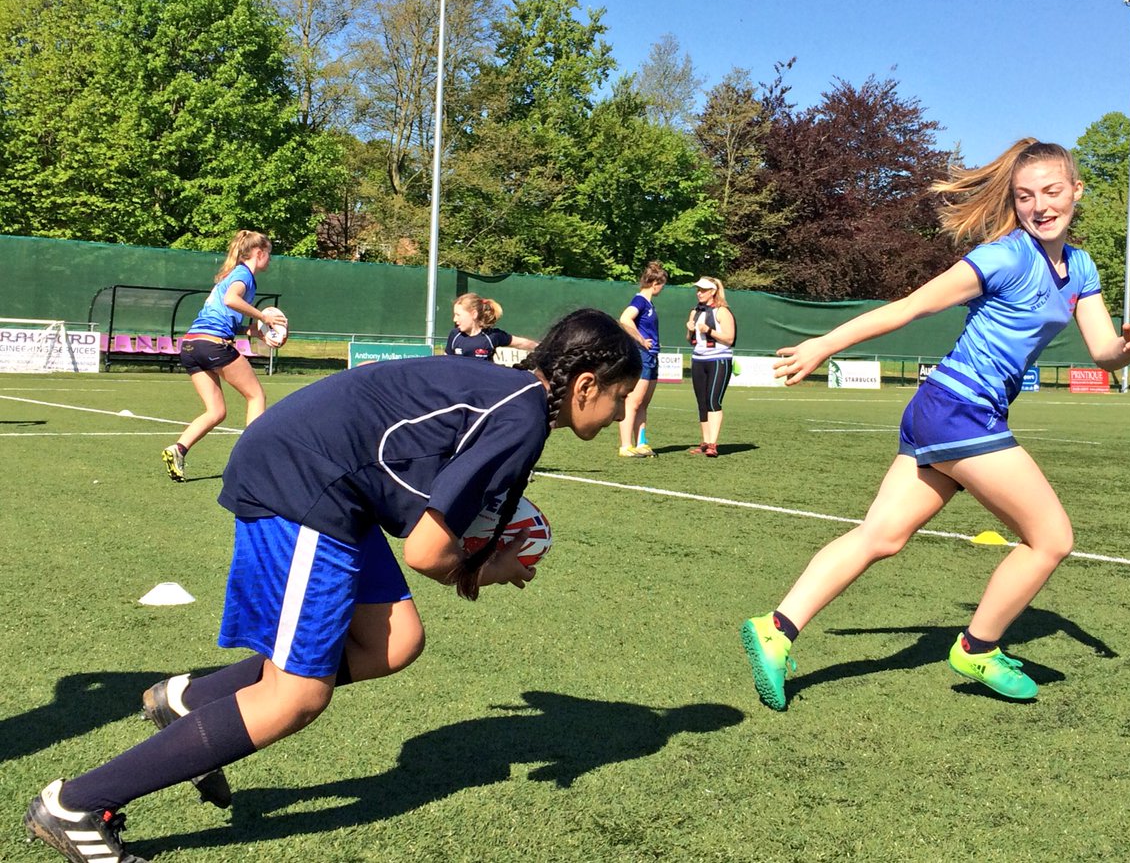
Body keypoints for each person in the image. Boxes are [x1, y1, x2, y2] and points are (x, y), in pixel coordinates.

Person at [25, 308, 640, 863]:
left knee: (391, 642)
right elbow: (427, 552)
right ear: (585, 385)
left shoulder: (512, 396)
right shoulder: (522, 414)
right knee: (296, 697)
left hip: (332, 482)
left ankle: (189, 701)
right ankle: (76, 803)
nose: (619, 412)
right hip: (304, 481)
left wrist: (475, 556)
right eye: (619, 397)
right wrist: (485, 569)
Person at [740, 139, 1130, 711]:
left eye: (1052, 192)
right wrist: (825, 344)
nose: (1040, 206)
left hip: (947, 412)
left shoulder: (1080, 267)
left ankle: (775, 629)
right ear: (1015, 200)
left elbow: (1104, 350)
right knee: (1052, 538)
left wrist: (1127, 350)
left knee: (881, 536)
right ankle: (978, 647)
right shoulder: (1005, 257)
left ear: (1076, 191)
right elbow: (909, 307)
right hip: (961, 409)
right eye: (1026, 195)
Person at [161, 230, 287, 483]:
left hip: (191, 345)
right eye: (269, 254)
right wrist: (263, 317)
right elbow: (231, 300)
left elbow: (224, 316)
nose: (270, 260)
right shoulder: (243, 275)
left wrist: (254, 331)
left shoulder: (230, 275)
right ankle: (253, 458)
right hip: (212, 345)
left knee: (216, 411)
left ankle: (178, 449)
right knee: (256, 395)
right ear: (259, 253)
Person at [616, 260, 668, 457]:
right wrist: (640, 340)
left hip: (653, 356)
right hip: (642, 355)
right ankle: (625, 445)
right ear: (656, 284)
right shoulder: (639, 301)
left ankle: (642, 442)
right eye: (662, 286)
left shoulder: (649, 304)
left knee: (644, 403)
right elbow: (625, 319)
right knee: (633, 401)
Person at [685, 276, 736, 458]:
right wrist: (690, 329)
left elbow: (730, 339)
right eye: (698, 289)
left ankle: (713, 443)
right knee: (702, 403)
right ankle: (706, 442)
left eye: (703, 290)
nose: (699, 293)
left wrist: (710, 330)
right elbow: (691, 340)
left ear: (713, 291)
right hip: (699, 359)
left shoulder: (722, 311)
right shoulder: (695, 311)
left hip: (719, 359)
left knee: (714, 401)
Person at [445, 293, 539, 361]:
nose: (454, 319)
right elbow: (445, 362)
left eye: (458, 315)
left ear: (474, 314)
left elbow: (521, 343)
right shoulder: (455, 335)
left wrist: (544, 348)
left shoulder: (492, 336)